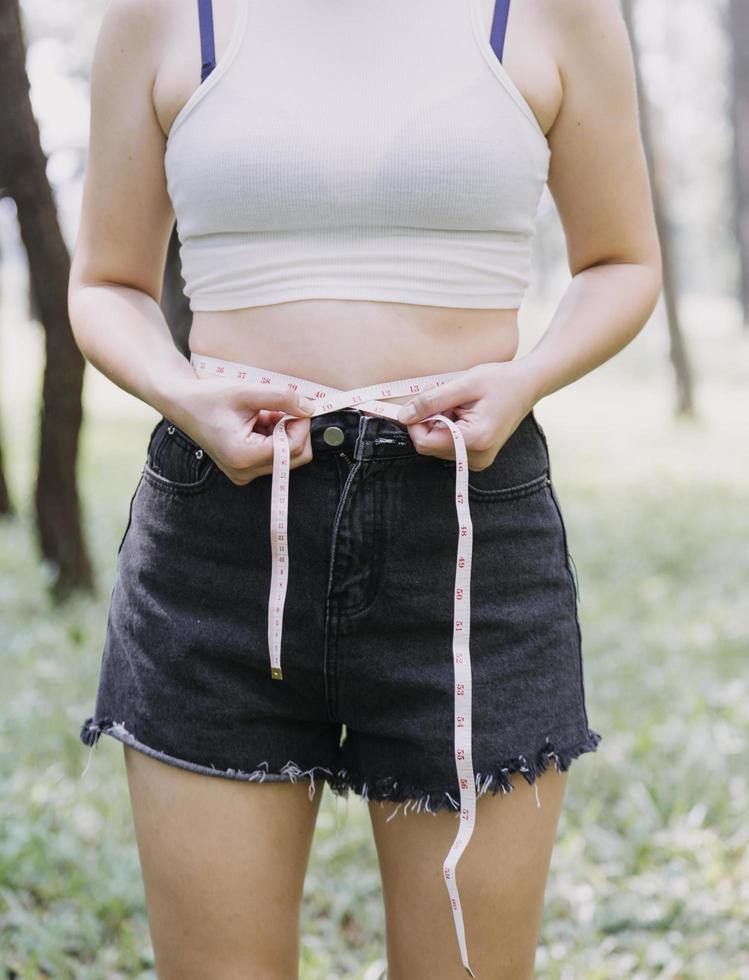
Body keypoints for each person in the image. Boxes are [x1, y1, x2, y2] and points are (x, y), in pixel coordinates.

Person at [68, 0, 662, 976]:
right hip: (220, 543)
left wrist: (524, 378)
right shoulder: (162, 12)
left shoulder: (557, 11)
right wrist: (182, 391)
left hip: (468, 541)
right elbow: (107, 281)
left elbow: (620, 260)